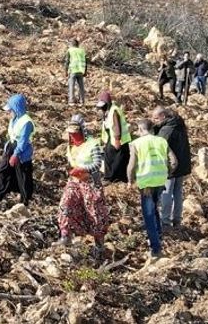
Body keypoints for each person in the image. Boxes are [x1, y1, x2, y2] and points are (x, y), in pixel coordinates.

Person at [56, 114, 110, 258]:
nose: (73, 136)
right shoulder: (71, 146)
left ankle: (99, 245)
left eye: (76, 133)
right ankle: (65, 235)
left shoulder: (93, 144)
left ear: (82, 131)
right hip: (74, 181)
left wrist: (83, 169)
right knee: (66, 204)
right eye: (71, 134)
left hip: (90, 183)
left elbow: (98, 164)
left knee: (95, 212)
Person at [127, 119, 178, 258]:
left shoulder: (136, 143)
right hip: (160, 181)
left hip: (146, 183)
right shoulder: (162, 141)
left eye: (138, 130)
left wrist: (130, 180)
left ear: (142, 129)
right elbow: (174, 161)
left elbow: (132, 165)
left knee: (148, 215)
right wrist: (167, 172)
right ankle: (159, 233)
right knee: (154, 207)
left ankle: (155, 248)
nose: (137, 133)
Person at [0, 94, 35, 208]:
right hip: (11, 147)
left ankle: (24, 202)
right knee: (3, 171)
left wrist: (16, 154)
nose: (8, 112)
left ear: (16, 108)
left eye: (10, 110)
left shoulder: (26, 122)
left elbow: (23, 141)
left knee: (23, 175)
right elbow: (11, 135)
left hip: (22, 152)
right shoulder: (14, 119)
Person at [152, 106, 191, 229]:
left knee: (166, 192)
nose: (154, 121)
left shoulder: (166, 130)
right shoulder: (179, 124)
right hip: (182, 165)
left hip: (170, 167)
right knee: (178, 192)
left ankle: (165, 221)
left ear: (163, 116)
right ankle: (177, 220)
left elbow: (159, 149)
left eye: (156, 118)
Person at [96, 91, 132, 183]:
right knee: (109, 158)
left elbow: (116, 126)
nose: (101, 108)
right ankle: (111, 177)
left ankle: (114, 178)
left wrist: (117, 139)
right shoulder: (108, 111)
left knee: (118, 160)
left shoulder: (114, 111)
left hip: (119, 140)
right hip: (111, 139)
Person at [65, 39, 87, 106]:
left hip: (73, 70)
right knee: (81, 86)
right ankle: (82, 101)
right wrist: (85, 71)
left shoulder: (70, 50)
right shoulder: (82, 51)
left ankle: (71, 101)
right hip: (81, 70)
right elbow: (86, 62)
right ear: (78, 45)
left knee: (71, 85)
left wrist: (65, 71)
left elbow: (67, 61)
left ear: (72, 44)